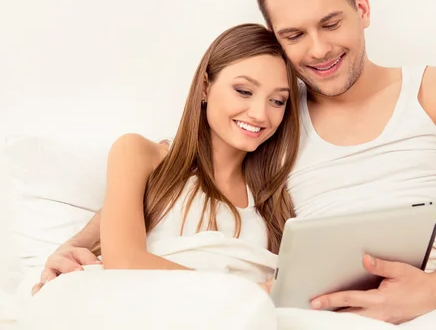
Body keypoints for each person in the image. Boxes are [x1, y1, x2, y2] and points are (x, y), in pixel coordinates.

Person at [34, 0, 436, 328]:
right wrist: (77, 246)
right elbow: (171, 172)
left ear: (361, 9)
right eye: (294, 35)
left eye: (331, 23)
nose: (318, 50)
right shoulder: (276, 119)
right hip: (320, 308)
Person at [31, 23, 300, 294]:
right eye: (244, 91)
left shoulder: (273, 198)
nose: (260, 114)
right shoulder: (140, 154)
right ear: (205, 87)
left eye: (277, 101)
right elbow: (123, 262)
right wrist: (250, 292)